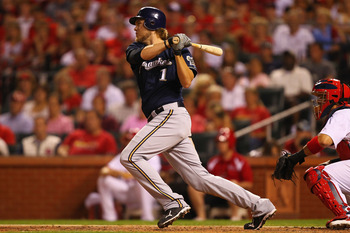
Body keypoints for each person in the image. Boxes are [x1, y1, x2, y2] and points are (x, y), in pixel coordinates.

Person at [121, 6, 276, 230]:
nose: (135, 27)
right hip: (162, 119)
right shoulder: (136, 48)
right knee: (199, 179)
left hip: (171, 114)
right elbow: (141, 56)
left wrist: (176, 52)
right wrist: (167, 44)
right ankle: (260, 204)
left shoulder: (179, 50)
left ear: (152, 24)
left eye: (139, 22)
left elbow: (186, 82)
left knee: (130, 156)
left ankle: (173, 202)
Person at [272, 79, 350, 229]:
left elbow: (323, 141)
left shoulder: (343, 113)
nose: (317, 102)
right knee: (326, 168)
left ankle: (346, 214)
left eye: (321, 97)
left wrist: (296, 157)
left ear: (332, 97)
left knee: (317, 174)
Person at [188, 128, 253, 221]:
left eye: (224, 142)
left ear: (230, 142)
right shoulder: (213, 161)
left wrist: (234, 184)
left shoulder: (240, 161)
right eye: (218, 142)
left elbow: (249, 184)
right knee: (193, 187)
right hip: (215, 193)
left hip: (232, 195)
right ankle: (201, 216)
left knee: (232, 183)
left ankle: (235, 216)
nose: (220, 145)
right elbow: (206, 180)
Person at [97, 128, 161, 221]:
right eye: (128, 141)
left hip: (148, 193)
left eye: (132, 141)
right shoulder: (123, 156)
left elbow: (149, 176)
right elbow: (104, 171)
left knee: (142, 181)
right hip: (128, 191)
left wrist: (129, 175)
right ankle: (109, 218)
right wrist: (121, 174)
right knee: (103, 180)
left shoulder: (152, 156)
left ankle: (147, 217)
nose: (129, 144)